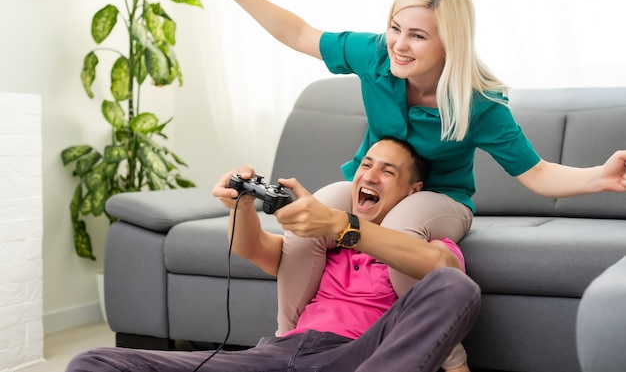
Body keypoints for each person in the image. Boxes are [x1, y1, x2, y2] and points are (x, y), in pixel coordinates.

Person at [211, 0, 626, 369]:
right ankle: (289, 341)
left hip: (441, 199)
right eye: (395, 29)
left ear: (450, 43)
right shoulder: (374, 56)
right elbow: (302, 33)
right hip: (373, 181)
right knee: (314, 210)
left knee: (400, 228)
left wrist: (598, 177)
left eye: (417, 36)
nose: (398, 44)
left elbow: (536, 172)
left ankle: (449, 357)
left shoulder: (479, 104)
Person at [66, 137, 481, 372]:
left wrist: (349, 230)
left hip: (357, 357)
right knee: (92, 363)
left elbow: (446, 277)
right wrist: (241, 205)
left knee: (453, 286)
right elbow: (256, 250)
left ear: (413, 192)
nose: (370, 175)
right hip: (277, 355)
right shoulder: (320, 245)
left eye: (388, 171)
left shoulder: (421, 245)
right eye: (366, 165)